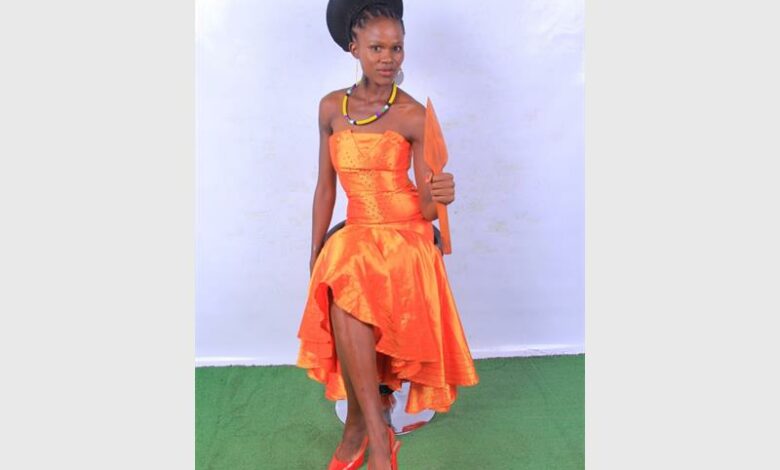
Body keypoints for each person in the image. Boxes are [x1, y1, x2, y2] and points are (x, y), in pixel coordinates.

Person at [296, 1, 479, 468]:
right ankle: (373, 428)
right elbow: (325, 187)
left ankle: (368, 433)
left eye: (396, 48)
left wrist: (442, 195)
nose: (388, 58)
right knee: (342, 264)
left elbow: (427, 207)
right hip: (359, 230)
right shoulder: (330, 108)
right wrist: (315, 252)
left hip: (406, 232)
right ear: (353, 48)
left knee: (348, 266)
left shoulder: (414, 114)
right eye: (376, 48)